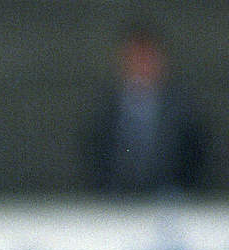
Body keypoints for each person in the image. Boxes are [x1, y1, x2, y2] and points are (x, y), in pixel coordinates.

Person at [84, 23, 211, 196]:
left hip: (171, 201)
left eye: (147, 58)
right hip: (116, 201)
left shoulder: (186, 110)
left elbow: (196, 157)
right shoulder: (104, 110)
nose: (141, 65)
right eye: (135, 58)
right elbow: (94, 156)